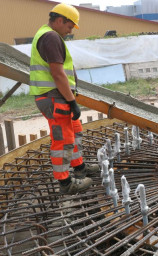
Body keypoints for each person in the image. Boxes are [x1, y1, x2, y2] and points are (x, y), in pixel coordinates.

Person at [29, 3, 99, 194]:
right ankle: (65, 183)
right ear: (60, 20)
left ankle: (79, 168)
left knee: (74, 132)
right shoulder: (51, 37)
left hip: (57, 97)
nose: (69, 32)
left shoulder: (48, 35)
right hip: (54, 98)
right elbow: (58, 74)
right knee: (62, 140)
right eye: (69, 27)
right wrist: (72, 101)